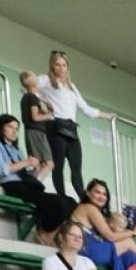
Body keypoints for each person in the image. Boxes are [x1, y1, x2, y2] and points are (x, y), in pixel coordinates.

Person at [38, 51, 114, 204]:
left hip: (71, 129)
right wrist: (43, 103)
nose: (61, 68)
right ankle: (61, 197)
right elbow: (28, 87)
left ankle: (84, 200)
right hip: (56, 126)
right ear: (52, 65)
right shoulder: (45, 79)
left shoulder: (70, 86)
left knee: (76, 168)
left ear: (67, 67)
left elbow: (85, 108)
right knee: (58, 167)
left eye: (64, 65)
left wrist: (106, 115)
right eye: (57, 65)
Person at [0, 114, 74, 246]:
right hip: (11, 185)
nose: (14, 131)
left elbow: (25, 174)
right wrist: (26, 162)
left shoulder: (16, 149)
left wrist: (38, 169)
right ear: (1, 128)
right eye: (10, 127)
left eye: (16, 128)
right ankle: (44, 233)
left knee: (70, 202)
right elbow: (0, 170)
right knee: (57, 202)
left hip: (25, 185)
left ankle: (50, 234)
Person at [72, 177, 136, 270]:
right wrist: (133, 232)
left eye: (104, 194)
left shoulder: (98, 212)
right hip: (85, 250)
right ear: (88, 193)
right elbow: (111, 237)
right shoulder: (89, 208)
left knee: (131, 257)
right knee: (129, 242)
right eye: (97, 192)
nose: (101, 196)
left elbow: (115, 231)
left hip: (95, 249)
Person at [17, 70, 52, 167]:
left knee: (38, 164)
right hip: (37, 132)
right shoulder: (32, 98)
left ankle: (33, 181)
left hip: (31, 131)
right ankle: (34, 182)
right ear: (34, 83)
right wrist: (49, 116)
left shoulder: (26, 97)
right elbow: (35, 117)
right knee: (48, 164)